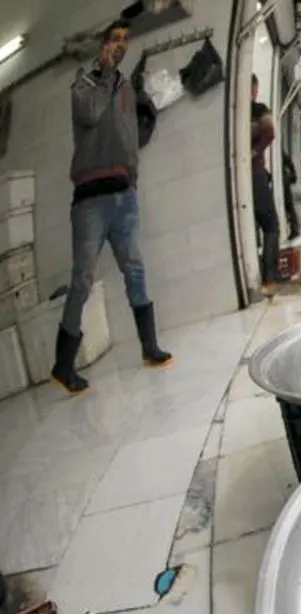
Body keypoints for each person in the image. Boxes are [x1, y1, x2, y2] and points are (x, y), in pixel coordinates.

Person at [53, 18, 172, 393]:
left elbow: (129, 134)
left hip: (124, 196)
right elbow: (89, 114)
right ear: (103, 44)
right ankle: (63, 364)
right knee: (82, 279)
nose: (120, 44)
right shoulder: (84, 83)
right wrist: (105, 74)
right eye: (114, 38)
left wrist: (132, 175)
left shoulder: (125, 88)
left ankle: (149, 347)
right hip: (91, 201)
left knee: (135, 269)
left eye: (125, 39)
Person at [250, 73, 282, 286]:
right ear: (253, 88)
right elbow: (270, 132)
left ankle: (257, 271)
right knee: (271, 225)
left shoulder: (232, 113)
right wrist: (254, 152)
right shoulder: (258, 109)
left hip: (240, 179)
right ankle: (269, 275)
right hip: (256, 175)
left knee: (252, 228)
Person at [282, 150, 300, 239]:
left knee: (288, 206)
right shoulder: (281, 154)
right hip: (284, 180)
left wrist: (292, 176)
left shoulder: (280, 154)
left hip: (283, 181)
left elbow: (289, 164)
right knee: (289, 206)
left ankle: (294, 228)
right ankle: (294, 228)